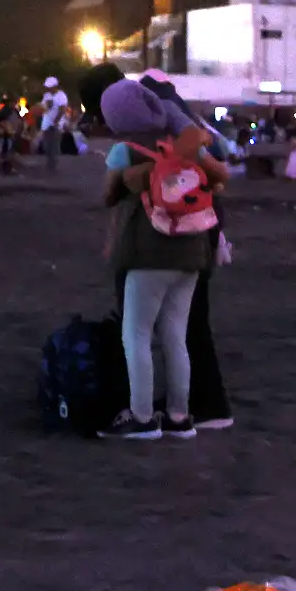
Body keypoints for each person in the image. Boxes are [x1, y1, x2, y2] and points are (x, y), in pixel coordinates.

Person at [99, 124, 227, 440]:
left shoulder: (126, 150)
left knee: (136, 334)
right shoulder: (188, 145)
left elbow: (108, 196)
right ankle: (178, 417)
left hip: (148, 255)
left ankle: (141, 417)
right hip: (192, 252)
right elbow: (220, 179)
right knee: (176, 335)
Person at [38, 75, 68, 173]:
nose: (48, 88)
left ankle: (53, 165)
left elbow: (62, 109)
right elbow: (43, 107)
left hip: (56, 125)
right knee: (47, 145)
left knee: (54, 145)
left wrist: (56, 121)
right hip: (46, 123)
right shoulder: (47, 95)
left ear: (55, 86)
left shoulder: (61, 96)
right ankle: (49, 163)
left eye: (50, 86)